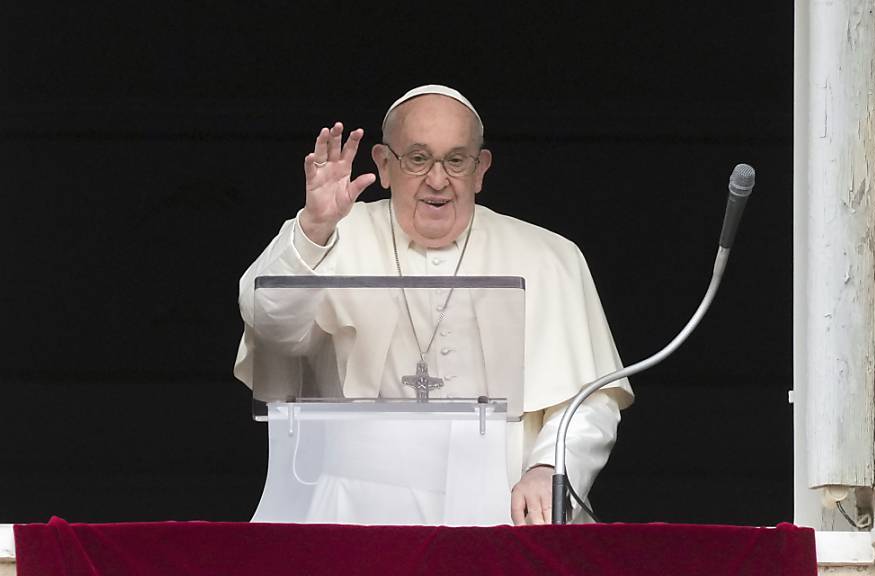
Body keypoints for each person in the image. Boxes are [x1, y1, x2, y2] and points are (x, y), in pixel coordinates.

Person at [235, 85, 633, 525]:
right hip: (359, 509)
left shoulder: (549, 256)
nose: (438, 180)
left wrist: (550, 470)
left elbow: (589, 401)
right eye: (418, 158)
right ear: (385, 165)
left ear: (480, 169)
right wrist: (313, 227)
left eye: (457, 160)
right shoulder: (333, 236)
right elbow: (270, 324)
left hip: (500, 506)